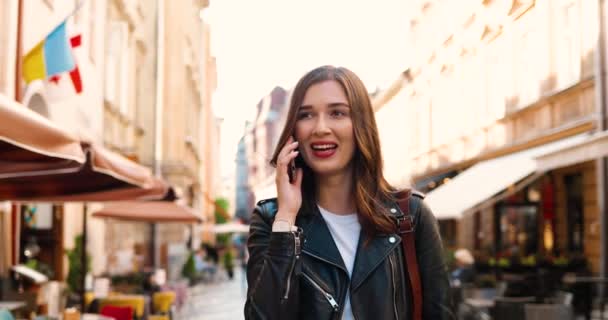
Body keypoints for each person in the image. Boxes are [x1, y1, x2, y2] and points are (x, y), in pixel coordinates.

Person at [244, 65, 453, 319]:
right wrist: (286, 219)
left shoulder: (410, 216)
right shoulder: (271, 219)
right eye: (306, 115)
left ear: (361, 125)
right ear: (293, 131)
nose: (320, 127)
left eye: (337, 113)